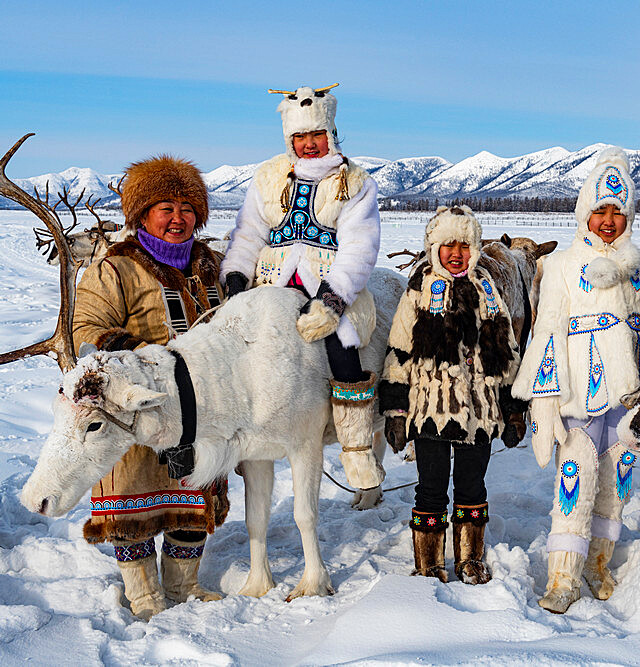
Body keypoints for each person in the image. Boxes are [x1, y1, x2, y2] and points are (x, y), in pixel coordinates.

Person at [73, 155, 228, 620]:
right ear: (141, 214)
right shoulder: (117, 267)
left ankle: (182, 586)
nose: (178, 218)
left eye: (186, 207)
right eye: (165, 207)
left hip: (202, 405)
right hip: (138, 407)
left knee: (192, 492)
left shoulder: (212, 264)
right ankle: (143, 595)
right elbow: (86, 326)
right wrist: (143, 359)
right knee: (133, 497)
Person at [512, 147, 640, 613]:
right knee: (573, 487)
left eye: (618, 212)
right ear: (585, 212)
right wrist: (543, 400)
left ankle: (598, 565)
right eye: (600, 210)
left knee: (616, 489)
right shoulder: (561, 266)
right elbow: (545, 334)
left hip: (629, 401)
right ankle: (562, 578)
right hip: (580, 399)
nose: (608, 220)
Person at [221, 85, 385, 492]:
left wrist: (334, 298)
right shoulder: (270, 176)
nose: (309, 145)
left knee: (344, 347)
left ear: (330, 132)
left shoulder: (355, 182)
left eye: (316, 136)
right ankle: (244, 436)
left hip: (329, 285)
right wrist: (237, 275)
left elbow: (359, 246)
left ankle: (356, 447)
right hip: (271, 283)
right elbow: (248, 233)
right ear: (289, 139)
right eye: (300, 137)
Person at [378, 205, 525, 584]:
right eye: (448, 245)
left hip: (481, 412)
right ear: (434, 247)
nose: (456, 253)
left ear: (475, 248)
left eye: (464, 245)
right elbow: (399, 351)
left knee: (472, 485)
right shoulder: (418, 289)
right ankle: (428, 563)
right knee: (430, 488)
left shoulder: (488, 291)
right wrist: (395, 409)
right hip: (430, 410)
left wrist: (513, 410)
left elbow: (508, 354)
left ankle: (470, 559)